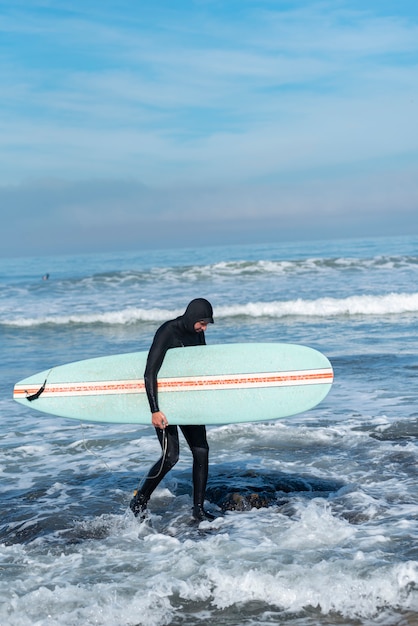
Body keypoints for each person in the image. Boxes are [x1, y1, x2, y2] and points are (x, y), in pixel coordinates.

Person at [130, 298, 216, 522]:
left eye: (206, 324)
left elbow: (199, 364)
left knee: (201, 450)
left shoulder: (198, 333)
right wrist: (155, 410)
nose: (204, 328)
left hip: (186, 400)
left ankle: (198, 509)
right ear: (191, 318)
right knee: (171, 457)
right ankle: (139, 500)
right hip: (164, 404)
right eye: (202, 323)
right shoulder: (168, 331)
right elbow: (150, 372)